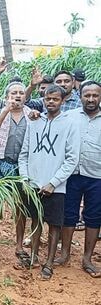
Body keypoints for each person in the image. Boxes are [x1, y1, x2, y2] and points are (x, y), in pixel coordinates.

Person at [18, 84, 80, 280]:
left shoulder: (70, 124)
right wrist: (26, 179)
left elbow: (72, 159)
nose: (50, 102)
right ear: (43, 99)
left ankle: (49, 263)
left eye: (55, 99)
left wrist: (53, 183)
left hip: (56, 187)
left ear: (62, 101)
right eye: (47, 98)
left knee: (54, 225)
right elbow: (24, 154)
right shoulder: (34, 122)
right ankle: (35, 257)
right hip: (33, 184)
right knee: (35, 222)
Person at [55, 81, 101, 278]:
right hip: (71, 174)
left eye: (95, 95)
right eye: (87, 95)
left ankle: (87, 258)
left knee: (93, 217)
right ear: (80, 96)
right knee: (69, 214)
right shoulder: (69, 116)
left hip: (97, 175)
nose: (91, 99)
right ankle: (64, 254)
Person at [0, 82, 32, 260]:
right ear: (7, 97)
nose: (17, 96)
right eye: (13, 93)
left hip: (22, 166)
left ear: (25, 96)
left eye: (20, 93)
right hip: (0, 163)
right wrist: (4, 111)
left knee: (20, 207)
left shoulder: (31, 115)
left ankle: (19, 246)